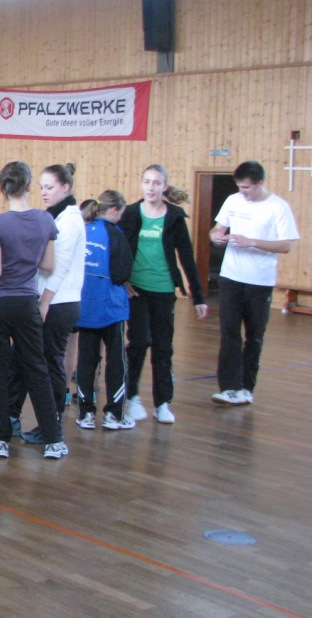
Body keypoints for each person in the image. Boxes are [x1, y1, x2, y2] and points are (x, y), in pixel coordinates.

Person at [0, 162, 67, 460]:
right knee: (37, 370)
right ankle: (54, 439)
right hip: (27, 303)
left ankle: (0, 440)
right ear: (29, 187)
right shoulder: (45, 220)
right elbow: (48, 265)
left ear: (2, 189)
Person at [120, 164, 208, 423]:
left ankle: (162, 403)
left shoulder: (174, 217)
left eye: (156, 183)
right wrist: (122, 280)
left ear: (164, 187)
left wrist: (198, 296)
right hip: (136, 291)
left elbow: (187, 257)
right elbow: (119, 249)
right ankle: (131, 396)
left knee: (163, 347)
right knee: (138, 342)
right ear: (141, 184)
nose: (151, 187)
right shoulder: (131, 213)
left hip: (164, 290)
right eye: (147, 182)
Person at [209, 160, 299, 405]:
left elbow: (286, 245)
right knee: (229, 333)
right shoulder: (233, 201)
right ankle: (228, 387)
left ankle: (246, 387)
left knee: (254, 335)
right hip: (231, 277)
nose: (243, 192)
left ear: (260, 183)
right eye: (240, 187)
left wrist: (252, 242)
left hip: (259, 281)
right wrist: (216, 237)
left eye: (247, 187)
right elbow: (217, 229)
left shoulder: (278, 207)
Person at [13, 163, 85, 444]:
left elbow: (58, 267)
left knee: (50, 364)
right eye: (41, 187)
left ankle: (51, 425)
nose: (43, 192)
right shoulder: (53, 216)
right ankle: (10, 417)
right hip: (48, 299)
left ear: (65, 187)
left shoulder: (70, 220)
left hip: (58, 302)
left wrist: (44, 303)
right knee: (25, 359)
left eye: (50, 187)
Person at [74, 192, 134, 430]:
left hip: (86, 307)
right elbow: (121, 274)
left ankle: (86, 414)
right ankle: (113, 415)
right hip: (111, 309)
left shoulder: (84, 231)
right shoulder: (116, 235)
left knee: (86, 362)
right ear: (114, 211)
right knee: (116, 362)